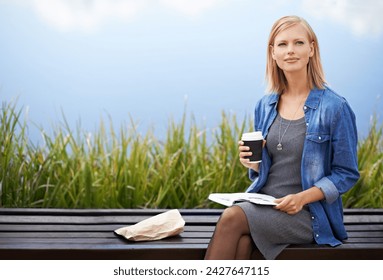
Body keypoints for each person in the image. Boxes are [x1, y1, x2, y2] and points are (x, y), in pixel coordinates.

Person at [204, 15, 360, 260]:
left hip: (308, 213)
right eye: (282, 44)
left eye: (298, 43)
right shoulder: (264, 105)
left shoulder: (335, 107)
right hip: (266, 205)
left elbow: (346, 173)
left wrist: (302, 198)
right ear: (273, 53)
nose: (290, 51)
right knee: (242, 243)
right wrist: (254, 164)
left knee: (233, 217)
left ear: (312, 48)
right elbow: (268, 169)